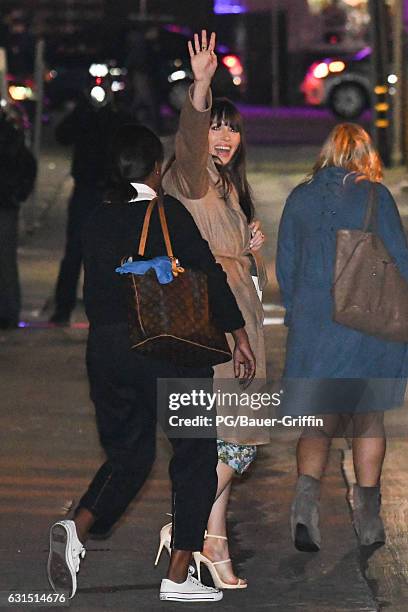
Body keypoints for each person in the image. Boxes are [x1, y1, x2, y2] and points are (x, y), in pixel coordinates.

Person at [47, 124, 256, 603]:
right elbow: (209, 275)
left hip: (107, 355)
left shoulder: (96, 220)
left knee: (130, 456)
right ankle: (179, 572)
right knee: (195, 456)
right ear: (155, 169)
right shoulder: (169, 214)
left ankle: (75, 529)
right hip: (169, 351)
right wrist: (238, 334)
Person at [162, 31, 268, 588]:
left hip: (239, 315)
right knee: (237, 439)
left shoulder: (228, 186)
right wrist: (202, 86)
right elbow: (188, 141)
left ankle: (214, 543)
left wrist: (250, 249)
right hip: (218, 324)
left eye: (232, 127)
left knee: (235, 436)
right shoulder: (194, 177)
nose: (223, 136)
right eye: (216, 126)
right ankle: (185, 525)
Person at [276, 123, 408, 552]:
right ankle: (368, 519)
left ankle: (304, 508)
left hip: (316, 327)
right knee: (368, 418)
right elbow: (399, 263)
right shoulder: (376, 196)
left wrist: (301, 315)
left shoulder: (300, 197)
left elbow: (286, 266)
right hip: (367, 324)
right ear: (365, 154)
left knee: (319, 422)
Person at [49, 82, 131, 325]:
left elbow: (133, 139)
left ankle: (108, 310)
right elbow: (62, 135)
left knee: (109, 254)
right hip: (85, 190)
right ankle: (63, 308)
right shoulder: (83, 114)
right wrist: (83, 111)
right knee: (75, 251)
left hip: (111, 193)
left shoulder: (118, 116)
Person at [0, 109, 36, 329]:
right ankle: (9, 311)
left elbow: (26, 166)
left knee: (6, 262)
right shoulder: (10, 134)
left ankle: (9, 311)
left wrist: (16, 194)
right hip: (7, 203)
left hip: (5, 205)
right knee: (6, 262)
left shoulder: (9, 135)